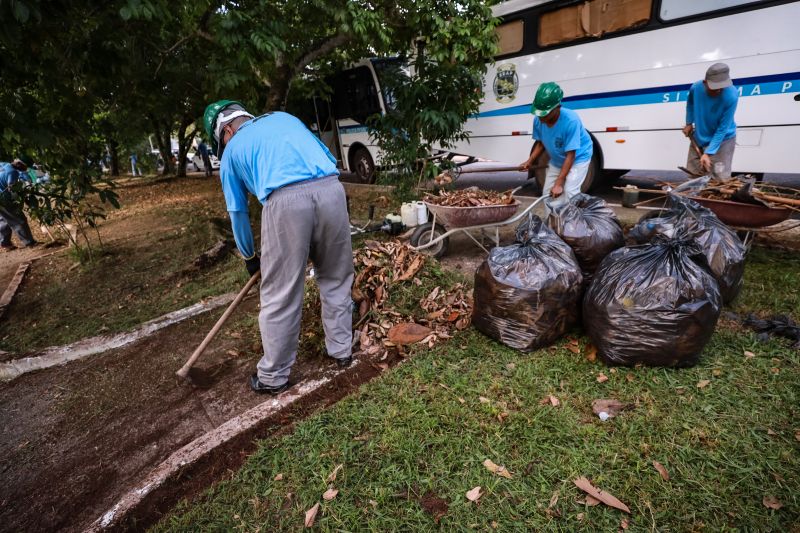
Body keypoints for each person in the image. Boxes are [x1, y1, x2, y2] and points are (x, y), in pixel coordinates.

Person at [203, 100, 354, 395]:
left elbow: (237, 212)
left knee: (280, 293)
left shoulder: (232, 150)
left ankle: (273, 377)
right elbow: (326, 156)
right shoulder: (284, 118)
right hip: (332, 190)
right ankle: (341, 350)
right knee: (336, 276)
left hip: (285, 203)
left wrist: (249, 256)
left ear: (227, 131)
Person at [519, 82, 593, 212]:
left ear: (557, 107)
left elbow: (571, 155)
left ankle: (572, 227)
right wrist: (529, 161)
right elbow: (540, 142)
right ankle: (552, 226)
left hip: (578, 159)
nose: (541, 117)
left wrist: (559, 183)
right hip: (557, 160)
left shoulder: (571, 121)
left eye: (544, 114)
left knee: (570, 192)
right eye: (538, 113)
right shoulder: (538, 119)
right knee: (547, 193)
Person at [683, 63, 738, 178]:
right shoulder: (696, 88)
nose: (718, 91)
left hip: (723, 140)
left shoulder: (731, 95)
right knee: (693, 174)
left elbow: (723, 129)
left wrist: (708, 152)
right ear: (705, 82)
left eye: (721, 88)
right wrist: (689, 123)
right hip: (699, 136)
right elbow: (690, 103)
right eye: (714, 88)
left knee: (718, 177)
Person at [0, 158, 37, 251]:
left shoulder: (3, 164)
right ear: (21, 164)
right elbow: (12, 190)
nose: (25, 169)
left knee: (4, 220)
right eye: (25, 167)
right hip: (4, 199)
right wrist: (22, 197)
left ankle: (5, 244)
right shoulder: (13, 172)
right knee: (19, 220)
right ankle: (30, 243)